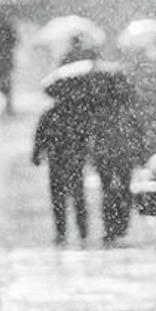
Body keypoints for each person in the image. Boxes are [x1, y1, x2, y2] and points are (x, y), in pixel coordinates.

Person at [92, 83, 146, 245]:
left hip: (110, 159)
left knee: (110, 192)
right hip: (121, 159)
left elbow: (96, 139)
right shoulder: (128, 115)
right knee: (122, 191)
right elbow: (139, 137)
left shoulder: (102, 116)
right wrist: (139, 154)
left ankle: (112, 225)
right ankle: (119, 224)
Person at [32, 99, 92, 245]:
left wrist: (37, 154)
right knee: (77, 198)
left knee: (59, 199)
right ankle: (82, 231)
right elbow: (86, 138)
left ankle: (62, 232)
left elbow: (40, 138)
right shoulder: (76, 115)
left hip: (58, 162)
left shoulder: (49, 115)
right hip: (73, 163)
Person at [0, 6, 17, 115]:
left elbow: (15, 41)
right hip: (0, 58)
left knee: (4, 80)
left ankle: (8, 103)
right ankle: (6, 102)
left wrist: (4, 44)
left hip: (5, 58)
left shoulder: (8, 27)